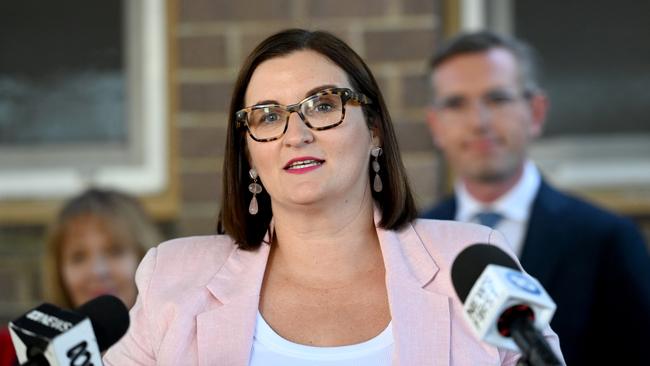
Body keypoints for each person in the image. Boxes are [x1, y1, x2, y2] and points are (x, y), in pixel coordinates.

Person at [103, 29, 563, 365]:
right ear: (246, 150)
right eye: (267, 116)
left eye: (323, 105)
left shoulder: (471, 262)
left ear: (375, 130)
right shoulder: (173, 278)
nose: (295, 134)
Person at [421, 31, 650, 366]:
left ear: (537, 112)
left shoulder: (606, 239)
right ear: (435, 125)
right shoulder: (414, 241)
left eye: (497, 99)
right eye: (456, 104)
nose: (478, 122)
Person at [0, 188, 162, 366]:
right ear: (59, 270)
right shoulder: (20, 354)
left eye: (114, 251)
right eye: (79, 257)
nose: (98, 271)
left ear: (145, 257)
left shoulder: (184, 347)